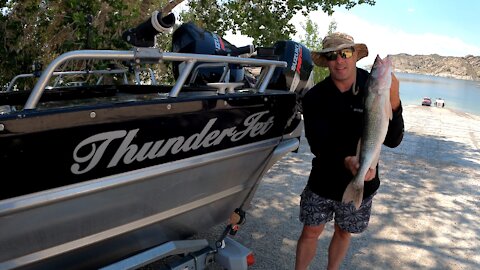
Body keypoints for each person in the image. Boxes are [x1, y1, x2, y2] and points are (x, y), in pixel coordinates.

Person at [295, 32, 404, 270]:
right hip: (324, 179)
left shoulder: (373, 85)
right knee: (310, 231)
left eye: (345, 53)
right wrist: (345, 161)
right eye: (332, 56)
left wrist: (394, 100)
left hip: (364, 180)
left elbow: (394, 140)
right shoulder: (315, 97)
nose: (340, 60)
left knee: (344, 233)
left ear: (355, 55)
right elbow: (317, 143)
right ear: (326, 61)